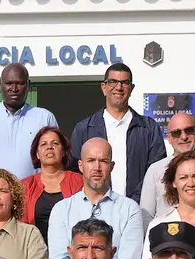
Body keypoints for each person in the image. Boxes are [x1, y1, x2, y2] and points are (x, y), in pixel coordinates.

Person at [48, 138, 144, 259]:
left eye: (103, 161)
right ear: (81, 165)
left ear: (111, 166)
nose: (97, 167)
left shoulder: (129, 209)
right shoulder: (61, 209)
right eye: (91, 160)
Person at [69, 63, 167, 203]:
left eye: (124, 83)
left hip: (138, 209)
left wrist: (132, 204)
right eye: (113, 82)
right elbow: (75, 173)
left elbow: (156, 171)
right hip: (94, 209)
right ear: (104, 87)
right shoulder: (84, 129)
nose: (119, 87)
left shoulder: (149, 128)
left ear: (131, 88)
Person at [0, 63, 58, 181]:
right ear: (0, 85)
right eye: (9, 83)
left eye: (19, 83)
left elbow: (56, 160)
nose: (14, 89)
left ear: (28, 85)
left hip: (34, 194)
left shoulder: (44, 118)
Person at [20, 126, 84, 242]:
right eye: (43, 144)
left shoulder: (79, 182)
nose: (49, 147)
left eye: (55, 143)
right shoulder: (25, 186)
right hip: (34, 251)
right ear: (37, 154)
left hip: (72, 249)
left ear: (64, 151)